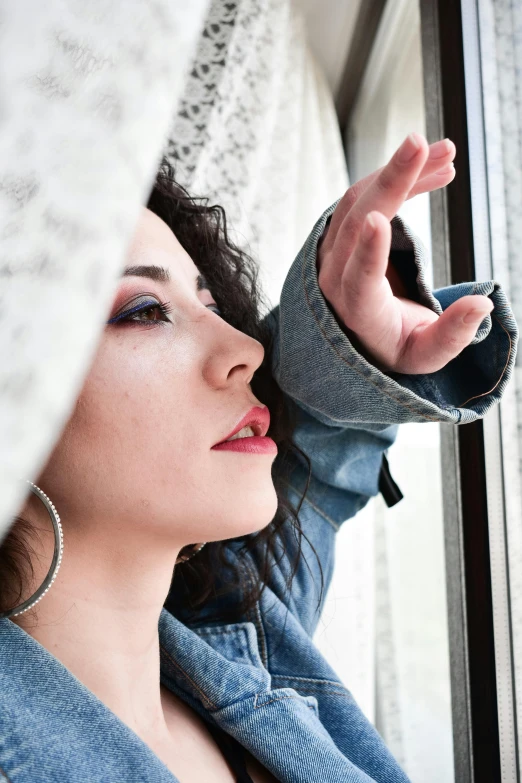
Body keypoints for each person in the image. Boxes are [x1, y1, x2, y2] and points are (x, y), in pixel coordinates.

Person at [0, 132, 516, 783]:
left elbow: (317, 454)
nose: (246, 345)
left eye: (211, 303)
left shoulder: (237, 632)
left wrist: (351, 326)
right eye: (144, 310)